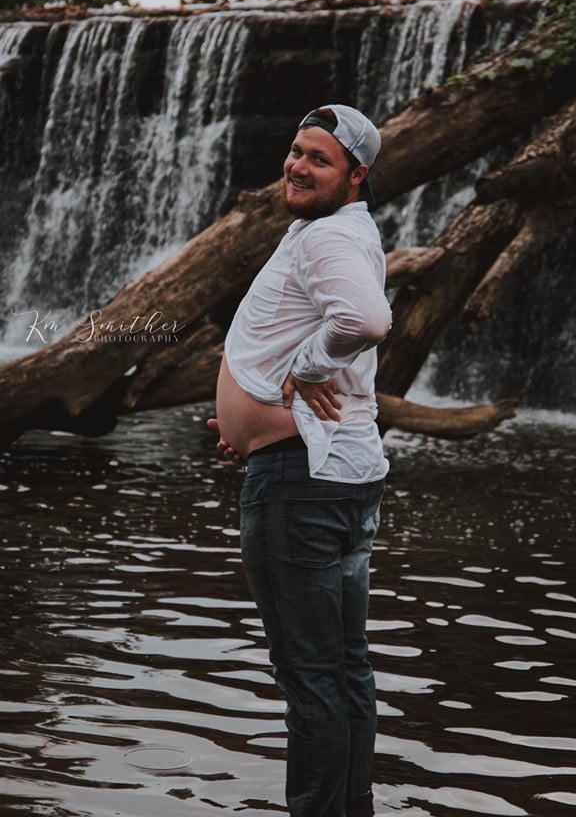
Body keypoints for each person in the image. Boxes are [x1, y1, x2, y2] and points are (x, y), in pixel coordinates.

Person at [208, 104, 392, 817]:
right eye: (294, 150)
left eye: (318, 158)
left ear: (356, 175)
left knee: (309, 674)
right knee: (343, 668)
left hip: (298, 483)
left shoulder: (327, 241)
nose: (296, 164)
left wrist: (302, 370)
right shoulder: (340, 234)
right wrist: (246, 412)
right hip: (333, 473)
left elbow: (364, 322)